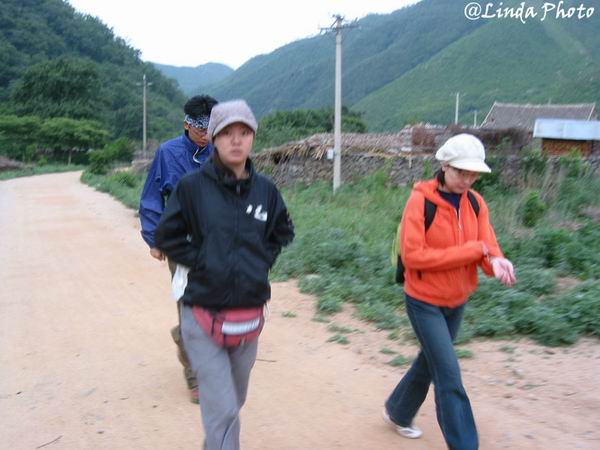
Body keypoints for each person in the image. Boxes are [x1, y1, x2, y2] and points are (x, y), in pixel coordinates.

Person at [154, 99, 295, 450]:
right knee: (223, 409)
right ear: (214, 138)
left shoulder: (266, 191)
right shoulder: (192, 188)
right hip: (201, 314)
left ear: (253, 138)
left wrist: (260, 262)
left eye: (244, 132)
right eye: (227, 132)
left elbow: (283, 231)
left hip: (248, 317)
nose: (236, 139)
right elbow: (167, 236)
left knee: (234, 401)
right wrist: (203, 261)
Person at [383, 134, 516, 450]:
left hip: (457, 300)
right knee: (449, 375)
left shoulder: (475, 203)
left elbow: (487, 246)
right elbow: (414, 257)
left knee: (431, 362)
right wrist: (474, 251)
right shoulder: (421, 201)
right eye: (461, 172)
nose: (467, 180)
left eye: (473, 175)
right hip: (423, 301)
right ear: (444, 165)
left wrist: (496, 262)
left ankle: (398, 410)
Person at [139, 95, 218, 403]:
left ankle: (184, 335)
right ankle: (195, 376)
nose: (206, 134)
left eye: (212, 128)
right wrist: (154, 239)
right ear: (187, 124)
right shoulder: (167, 153)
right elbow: (151, 198)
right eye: (201, 128)